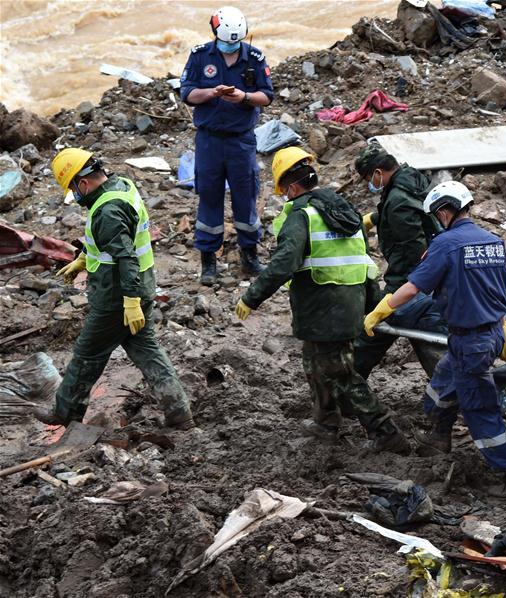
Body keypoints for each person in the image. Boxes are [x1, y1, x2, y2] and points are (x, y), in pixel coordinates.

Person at [234, 147, 409, 454]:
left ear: (290, 187)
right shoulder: (343, 210)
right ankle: (326, 420)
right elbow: (362, 260)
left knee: (338, 371)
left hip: (324, 305)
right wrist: (373, 302)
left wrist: (252, 297)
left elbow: (283, 264)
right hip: (349, 300)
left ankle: (385, 431)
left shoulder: (303, 216)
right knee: (314, 361)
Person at [362, 181, 506, 498]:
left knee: (479, 410)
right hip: (489, 333)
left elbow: (413, 288)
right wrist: (504, 333)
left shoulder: (446, 244)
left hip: (471, 340)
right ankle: (437, 439)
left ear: (443, 212)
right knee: (440, 386)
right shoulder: (494, 242)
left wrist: (381, 309)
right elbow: (499, 293)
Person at [36, 148, 195, 430]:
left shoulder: (107, 210)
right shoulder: (121, 185)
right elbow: (121, 240)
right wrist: (85, 258)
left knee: (87, 354)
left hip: (117, 298)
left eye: (74, 191)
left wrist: (130, 302)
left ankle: (65, 412)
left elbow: (125, 257)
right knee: (148, 352)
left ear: (82, 183)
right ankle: (180, 413)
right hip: (142, 289)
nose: (77, 198)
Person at [180, 6, 273, 285]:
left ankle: (249, 254)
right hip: (209, 140)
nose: (231, 45)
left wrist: (244, 97)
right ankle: (208, 259)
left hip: (240, 140)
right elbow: (187, 93)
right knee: (209, 197)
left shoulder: (254, 58)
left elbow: (267, 95)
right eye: (227, 41)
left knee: (246, 196)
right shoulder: (200, 56)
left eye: (236, 41)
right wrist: (212, 93)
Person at [352, 143, 445, 379]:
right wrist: (377, 217)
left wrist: (398, 294)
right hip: (436, 271)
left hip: (412, 278)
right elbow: (420, 210)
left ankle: (346, 388)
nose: (369, 184)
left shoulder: (397, 202)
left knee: (374, 332)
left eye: (367, 179)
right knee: (420, 335)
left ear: (377, 173)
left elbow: (413, 253)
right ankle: (447, 385)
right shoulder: (413, 178)